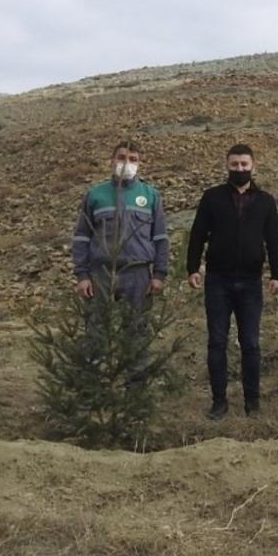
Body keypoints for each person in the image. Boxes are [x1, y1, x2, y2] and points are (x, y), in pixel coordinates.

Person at [187, 144, 278, 420]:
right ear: (227, 165)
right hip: (218, 280)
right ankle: (219, 402)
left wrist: (277, 275)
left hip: (251, 282)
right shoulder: (212, 197)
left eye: (244, 164)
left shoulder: (265, 201)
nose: (239, 169)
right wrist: (192, 268)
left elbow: (274, 240)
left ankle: (252, 402)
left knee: (251, 343)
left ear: (253, 166)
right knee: (217, 341)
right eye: (234, 165)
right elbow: (197, 234)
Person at [70, 140, 169, 381]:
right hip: (100, 274)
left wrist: (159, 274)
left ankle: (136, 390)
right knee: (96, 329)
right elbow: (82, 237)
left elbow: (161, 238)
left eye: (133, 159)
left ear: (140, 164)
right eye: (122, 158)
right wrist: (82, 275)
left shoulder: (151, 196)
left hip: (138, 274)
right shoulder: (95, 195)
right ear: (111, 161)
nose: (127, 164)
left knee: (136, 330)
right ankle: (92, 385)